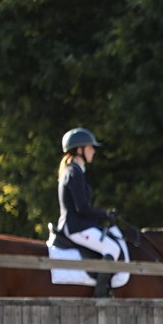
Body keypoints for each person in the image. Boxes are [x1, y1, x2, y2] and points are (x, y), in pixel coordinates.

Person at [56, 127, 128, 297]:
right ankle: (100, 295)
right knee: (113, 248)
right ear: (79, 149)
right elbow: (82, 208)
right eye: (90, 147)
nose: (93, 151)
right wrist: (104, 214)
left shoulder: (77, 171)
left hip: (81, 225)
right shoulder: (74, 172)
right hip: (75, 227)